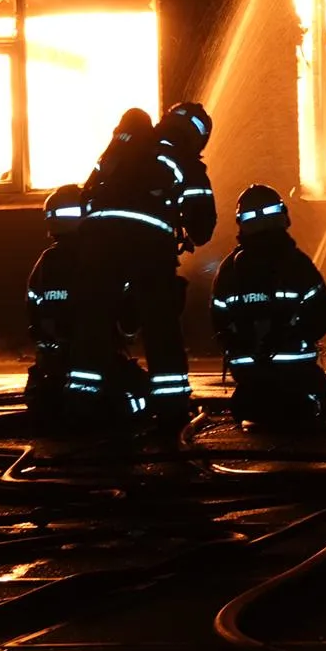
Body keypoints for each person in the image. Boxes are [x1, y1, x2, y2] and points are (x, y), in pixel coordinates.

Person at [67, 103, 215, 426]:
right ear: (197, 136)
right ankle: (171, 405)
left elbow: (88, 193)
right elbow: (203, 227)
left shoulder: (127, 148)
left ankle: (82, 401)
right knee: (160, 323)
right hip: (147, 246)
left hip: (98, 239)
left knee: (94, 320)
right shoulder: (185, 161)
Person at [211, 184, 326, 429]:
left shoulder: (228, 271)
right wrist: (293, 335)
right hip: (295, 376)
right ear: (284, 216)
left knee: (251, 408)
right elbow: (322, 314)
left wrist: (240, 345)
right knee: (315, 394)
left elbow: (218, 322)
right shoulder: (298, 264)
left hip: (250, 379)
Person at [22, 184, 83, 423]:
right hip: (92, 351)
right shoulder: (96, 258)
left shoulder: (47, 261)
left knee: (44, 403)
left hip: (52, 355)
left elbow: (32, 303)